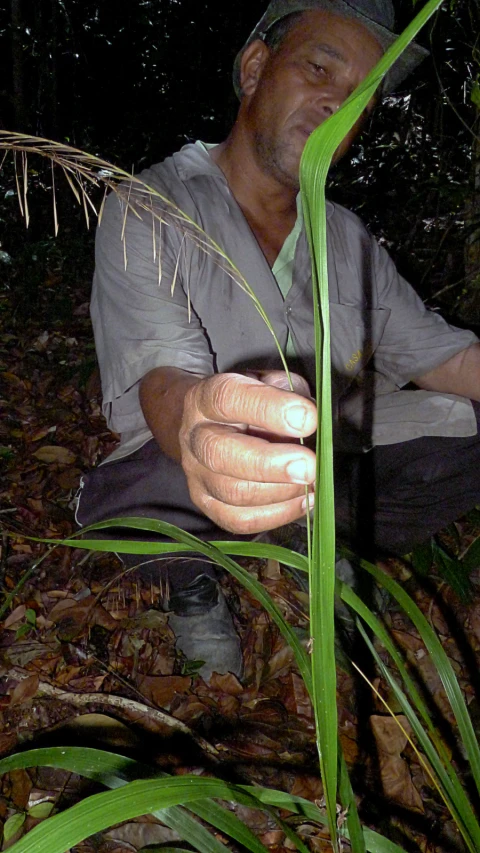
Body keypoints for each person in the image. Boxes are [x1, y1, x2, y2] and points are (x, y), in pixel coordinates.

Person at [77, 0, 480, 680]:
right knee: (161, 472)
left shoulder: (349, 238)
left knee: (467, 427)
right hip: (186, 465)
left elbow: (448, 359)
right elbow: (162, 380)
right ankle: (191, 580)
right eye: (319, 68)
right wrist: (204, 428)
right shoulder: (149, 204)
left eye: (360, 96)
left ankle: (319, 538)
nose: (336, 105)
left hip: (319, 464)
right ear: (256, 68)